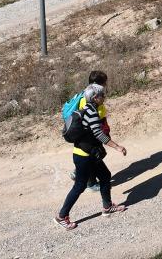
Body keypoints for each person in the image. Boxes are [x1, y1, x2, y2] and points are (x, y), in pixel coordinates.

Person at [55, 84, 127, 230]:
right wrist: (117, 147)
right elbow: (99, 134)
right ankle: (61, 216)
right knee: (80, 186)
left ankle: (107, 207)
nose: (104, 98)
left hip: (89, 154)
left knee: (105, 176)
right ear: (95, 97)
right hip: (84, 157)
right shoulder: (91, 112)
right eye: (103, 96)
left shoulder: (87, 108)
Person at [68, 70, 110, 193]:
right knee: (93, 156)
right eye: (104, 83)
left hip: (91, 130)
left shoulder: (87, 94)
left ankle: (79, 172)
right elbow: (91, 115)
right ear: (98, 84)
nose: (106, 85)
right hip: (91, 132)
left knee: (94, 156)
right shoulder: (90, 97)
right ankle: (90, 183)